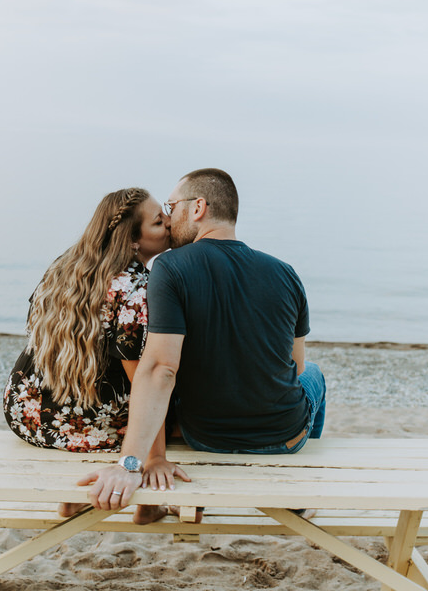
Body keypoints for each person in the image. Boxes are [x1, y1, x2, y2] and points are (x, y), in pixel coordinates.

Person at [78, 168, 326, 512]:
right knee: (313, 373)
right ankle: (296, 488)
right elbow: (294, 366)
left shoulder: (171, 268)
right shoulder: (285, 272)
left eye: (172, 206)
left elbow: (162, 367)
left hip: (204, 436)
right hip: (283, 438)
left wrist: (129, 463)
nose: (169, 218)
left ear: (197, 208)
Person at [3, 186, 175, 522]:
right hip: (86, 428)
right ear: (132, 240)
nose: (168, 223)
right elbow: (143, 378)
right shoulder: (135, 287)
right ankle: (149, 506)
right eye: (158, 222)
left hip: (25, 415)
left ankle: (72, 500)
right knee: (169, 389)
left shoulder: (65, 265)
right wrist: (154, 460)